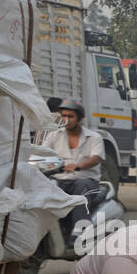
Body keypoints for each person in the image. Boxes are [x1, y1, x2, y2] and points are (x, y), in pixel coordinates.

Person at [39, 99, 104, 247]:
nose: (66, 120)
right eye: (64, 116)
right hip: (60, 179)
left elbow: (96, 158)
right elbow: (43, 154)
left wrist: (79, 166)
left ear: (80, 118)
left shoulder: (94, 137)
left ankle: (80, 232)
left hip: (87, 180)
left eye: (71, 116)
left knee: (80, 190)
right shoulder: (54, 135)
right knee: (44, 190)